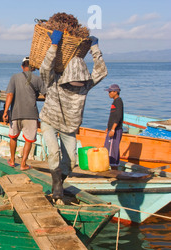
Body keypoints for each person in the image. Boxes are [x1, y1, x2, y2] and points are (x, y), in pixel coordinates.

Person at [39, 30, 108, 203]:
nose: (77, 85)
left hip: (69, 126)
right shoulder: (54, 80)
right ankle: (57, 191)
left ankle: (57, 184)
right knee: (54, 153)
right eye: (73, 82)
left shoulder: (86, 85)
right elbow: (45, 67)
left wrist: (95, 48)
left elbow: (101, 70)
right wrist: (54, 46)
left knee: (70, 162)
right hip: (49, 120)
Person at [3, 56, 46, 170]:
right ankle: (23, 164)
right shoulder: (38, 79)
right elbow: (47, 95)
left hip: (16, 113)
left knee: (13, 137)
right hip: (31, 114)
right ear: (33, 68)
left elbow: (10, 95)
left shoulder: (15, 77)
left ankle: (12, 160)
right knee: (29, 139)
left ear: (22, 67)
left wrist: (6, 111)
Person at [104, 84, 124, 170]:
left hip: (115, 130)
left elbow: (118, 116)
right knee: (108, 148)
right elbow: (112, 116)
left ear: (116, 92)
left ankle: (114, 171)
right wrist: (108, 127)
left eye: (110, 92)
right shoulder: (115, 101)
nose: (109, 94)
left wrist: (113, 129)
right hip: (111, 129)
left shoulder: (118, 101)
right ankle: (112, 168)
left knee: (112, 150)